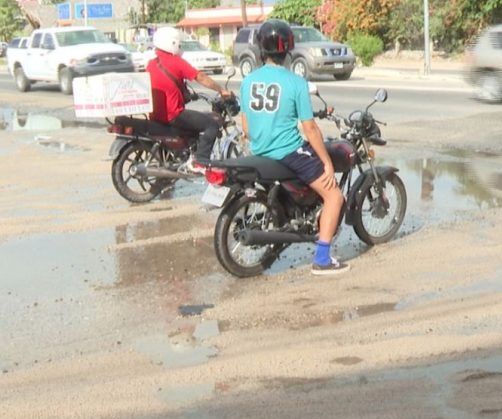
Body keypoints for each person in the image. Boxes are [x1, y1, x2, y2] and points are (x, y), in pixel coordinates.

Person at [239, 19, 349, 275]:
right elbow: (310, 129)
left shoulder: (248, 81)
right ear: (288, 49)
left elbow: (246, 128)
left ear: (261, 49)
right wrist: (327, 162)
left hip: (259, 151)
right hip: (287, 151)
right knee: (334, 195)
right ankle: (322, 259)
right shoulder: (296, 83)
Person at [146, 27, 233, 174]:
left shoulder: (151, 63)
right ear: (172, 43)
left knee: (194, 124)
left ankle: (186, 157)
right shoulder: (176, 62)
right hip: (173, 114)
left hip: (156, 115)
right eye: (178, 44)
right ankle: (200, 161)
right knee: (211, 125)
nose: (179, 47)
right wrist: (221, 90)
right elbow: (201, 77)